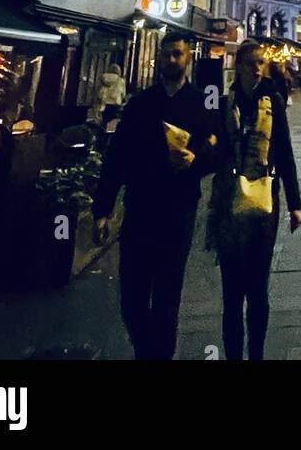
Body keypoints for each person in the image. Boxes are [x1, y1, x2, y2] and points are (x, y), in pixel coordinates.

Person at [93, 32, 216, 360]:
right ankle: (148, 352)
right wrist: (102, 208)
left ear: (188, 57)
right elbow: (117, 156)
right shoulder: (141, 103)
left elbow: (218, 153)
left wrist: (197, 162)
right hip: (140, 209)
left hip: (179, 211)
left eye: (177, 54)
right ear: (159, 58)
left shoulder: (202, 102)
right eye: (166, 55)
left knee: (166, 296)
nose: (171, 60)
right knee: (131, 300)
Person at [207, 40, 301, 361]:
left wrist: (295, 204)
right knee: (232, 293)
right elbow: (212, 156)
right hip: (227, 206)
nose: (257, 68)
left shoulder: (273, 101)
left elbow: (284, 151)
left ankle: (257, 354)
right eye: (251, 62)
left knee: (258, 291)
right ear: (238, 66)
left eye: (260, 62)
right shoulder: (222, 104)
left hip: (264, 205)